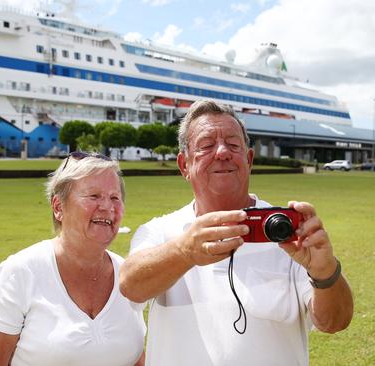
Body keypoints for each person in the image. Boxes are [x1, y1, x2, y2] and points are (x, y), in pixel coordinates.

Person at [120, 100, 353, 365]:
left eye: (233, 144)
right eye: (206, 145)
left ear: (249, 159)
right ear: (184, 165)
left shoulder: (288, 233)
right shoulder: (160, 231)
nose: (222, 152)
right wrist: (184, 252)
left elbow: (335, 321)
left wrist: (324, 272)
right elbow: (131, 286)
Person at [0, 152, 146, 366]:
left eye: (114, 197)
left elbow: (134, 358)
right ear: (58, 207)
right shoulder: (20, 272)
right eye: (94, 196)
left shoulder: (129, 275)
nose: (107, 206)